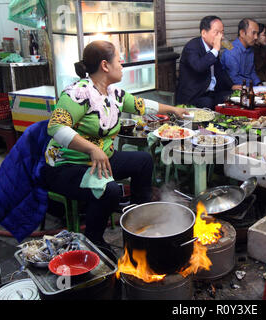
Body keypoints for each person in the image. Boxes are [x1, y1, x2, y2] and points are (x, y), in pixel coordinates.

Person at [43, 40, 188, 258]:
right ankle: (94, 241)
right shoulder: (78, 93)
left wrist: (174, 109)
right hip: (67, 166)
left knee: (143, 161)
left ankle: (140, 221)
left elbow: (141, 105)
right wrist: (92, 149)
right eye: (119, 60)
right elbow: (55, 127)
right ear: (105, 65)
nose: (122, 65)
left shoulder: (113, 94)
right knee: (109, 190)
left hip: (102, 160)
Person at [176, 16, 239, 110]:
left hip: (211, 92)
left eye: (222, 32)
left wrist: (232, 85)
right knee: (208, 103)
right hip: (194, 96)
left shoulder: (213, 48)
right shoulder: (192, 47)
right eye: (216, 32)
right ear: (204, 33)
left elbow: (219, 71)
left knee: (234, 98)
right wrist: (215, 50)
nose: (220, 36)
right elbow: (199, 67)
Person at [220, 18, 262, 86]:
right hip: (237, 88)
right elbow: (234, 79)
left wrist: (259, 84)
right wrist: (252, 87)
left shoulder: (250, 49)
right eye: (253, 33)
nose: (256, 37)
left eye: (257, 34)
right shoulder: (231, 52)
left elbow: (251, 72)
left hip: (248, 86)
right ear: (242, 33)